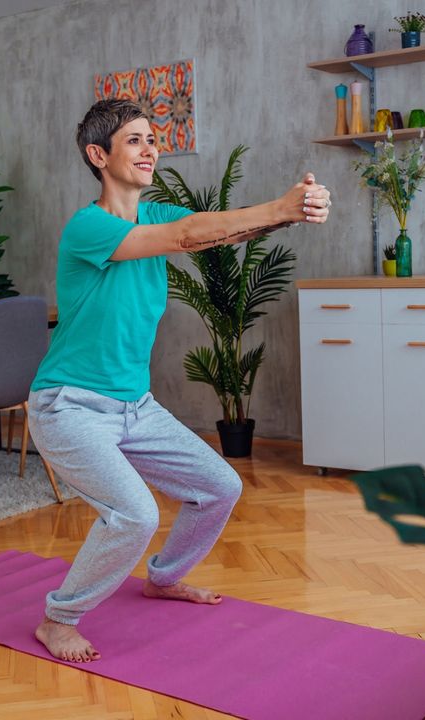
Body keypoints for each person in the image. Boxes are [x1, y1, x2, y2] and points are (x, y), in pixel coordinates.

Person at [27, 98, 332, 663]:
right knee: (135, 515)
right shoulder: (89, 227)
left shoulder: (155, 214)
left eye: (153, 138)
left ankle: (163, 578)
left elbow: (214, 235)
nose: (151, 149)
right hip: (68, 406)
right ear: (99, 155)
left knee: (220, 486)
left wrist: (288, 213)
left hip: (134, 407)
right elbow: (190, 235)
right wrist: (278, 204)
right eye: (136, 140)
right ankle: (59, 617)